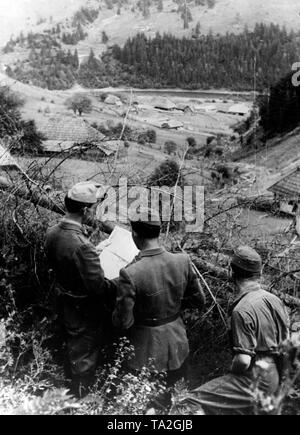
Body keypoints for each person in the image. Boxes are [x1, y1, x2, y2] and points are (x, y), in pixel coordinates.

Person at [184, 246, 289, 415]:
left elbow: (243, 360)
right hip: (275, 375)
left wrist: (231, 373)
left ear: (232, 273)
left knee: (188, 403)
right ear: (259, 273)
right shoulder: (275, 300)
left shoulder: (241, 310)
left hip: (255, 378)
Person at [112, 211, 206, 401]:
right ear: (159, 232)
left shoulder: (129, 273)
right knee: (176, 397)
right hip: (178, 342)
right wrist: (172, 306)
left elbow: (124, 322)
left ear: (135, 235)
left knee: (147, 401)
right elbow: (199, 301)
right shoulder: (182, 260)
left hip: (145, 350)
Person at [45, 182, 116, 397]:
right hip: (83, 309)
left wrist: (93, 252)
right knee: (83, 359)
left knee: (69, 349)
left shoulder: (52, 231)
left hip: (62, 301)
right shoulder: (82, 245)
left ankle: (64, 391)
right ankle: (81, 399)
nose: (94, 213)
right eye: (94, 208)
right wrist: (124, 274)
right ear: (85, 210)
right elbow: (99, 287)